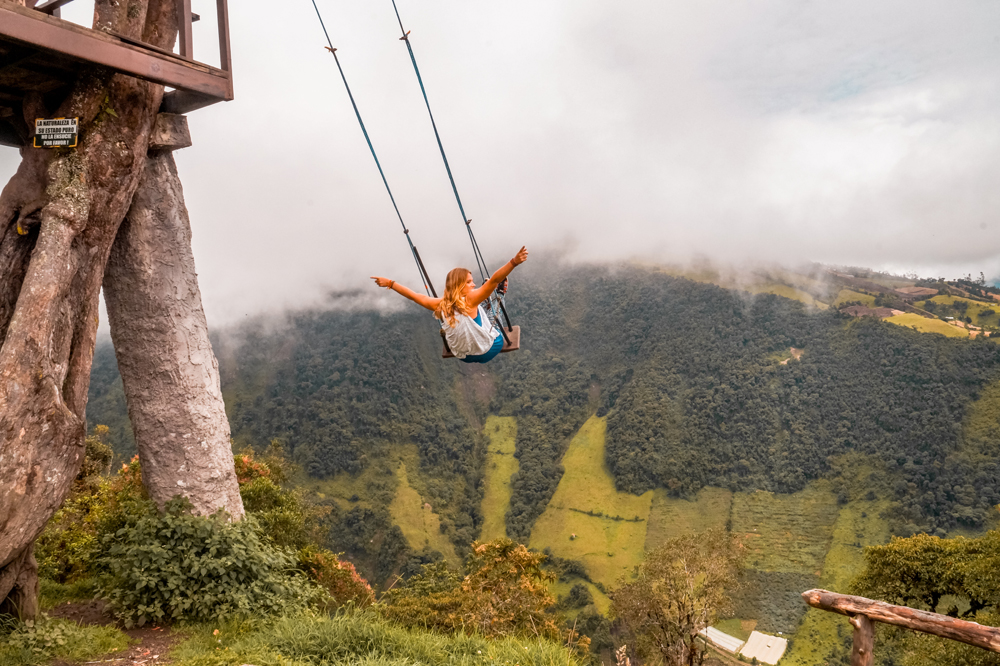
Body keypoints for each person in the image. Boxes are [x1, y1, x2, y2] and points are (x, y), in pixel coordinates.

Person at [371, 246, 528, 363]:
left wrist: (390, 283)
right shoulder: (471, 300)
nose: (473, 285)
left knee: (480, 307)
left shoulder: (440, 304)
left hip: (464, 356)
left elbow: (413, 296)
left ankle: (487, 302)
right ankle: (499, 295)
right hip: (488, 350)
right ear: (459, 285)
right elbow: (494, 280)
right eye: (469, 282)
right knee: (494, 316)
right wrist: (514, 262)